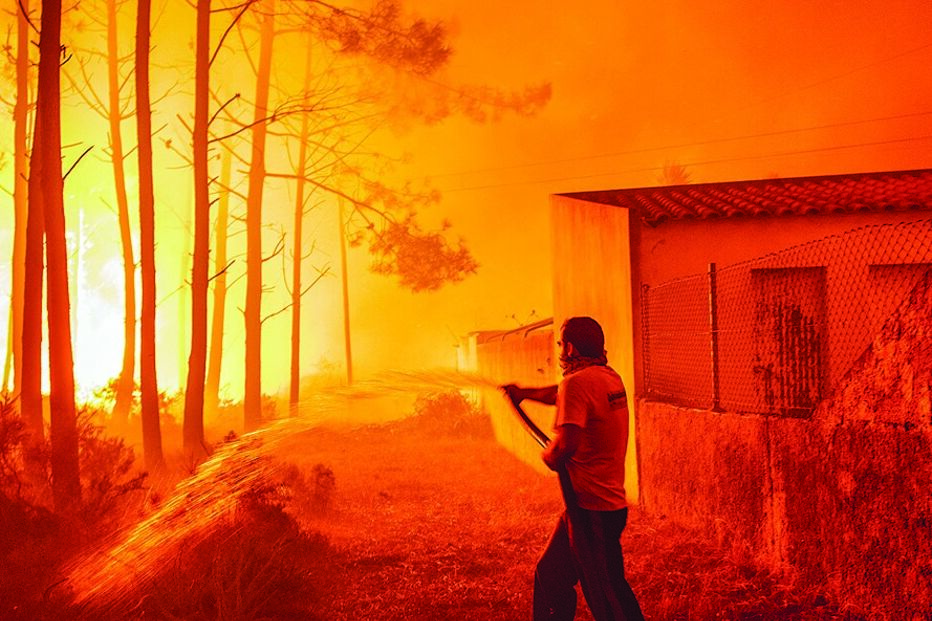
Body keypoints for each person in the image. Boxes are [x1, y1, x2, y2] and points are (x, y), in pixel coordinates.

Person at [502, 316, 644, 621]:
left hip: (593, 511)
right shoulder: (606, 376)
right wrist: (524, 394)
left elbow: (565, 446)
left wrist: (548, 455)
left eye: (559, 344)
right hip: (593, 507)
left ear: (569, 346)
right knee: (550, 575)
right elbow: (561, 394)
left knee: (607, 594)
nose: (559, 351)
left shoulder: (577, 384)